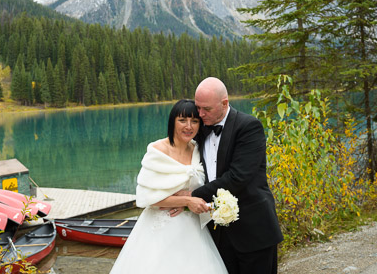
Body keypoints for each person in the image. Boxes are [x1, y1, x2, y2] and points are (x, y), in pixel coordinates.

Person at [110, 99, 228, 273]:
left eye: (194, 121)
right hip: (160, 229)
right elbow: (146, 199)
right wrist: (186, 201)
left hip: (193, 230)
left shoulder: (198, 149)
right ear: (172, 121)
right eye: (182, 120)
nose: (189, 126)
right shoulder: (157, 151)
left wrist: (190, 202)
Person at [189, 77, 283, 274]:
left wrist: (189, 197)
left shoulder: (249, 127)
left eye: (206, 109)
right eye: (197, 107)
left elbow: (237, 178)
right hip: (217, 236)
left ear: (224, 103)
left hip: (254, 232)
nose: (200, 114)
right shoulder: (199, 129)